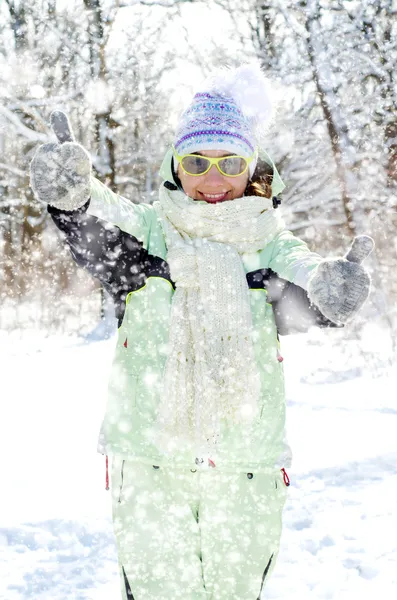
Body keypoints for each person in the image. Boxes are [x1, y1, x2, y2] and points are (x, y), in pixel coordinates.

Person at [30, 64, 373, 600]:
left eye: (229, 163)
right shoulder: (145, 237)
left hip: (246, 467)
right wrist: (71, 194)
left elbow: (310, 287)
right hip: (148, 460)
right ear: (176, 166)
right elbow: (99, 217)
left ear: (252, 166)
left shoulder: (271, 246)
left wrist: (335, 290)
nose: (213, 180)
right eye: (196, 162)